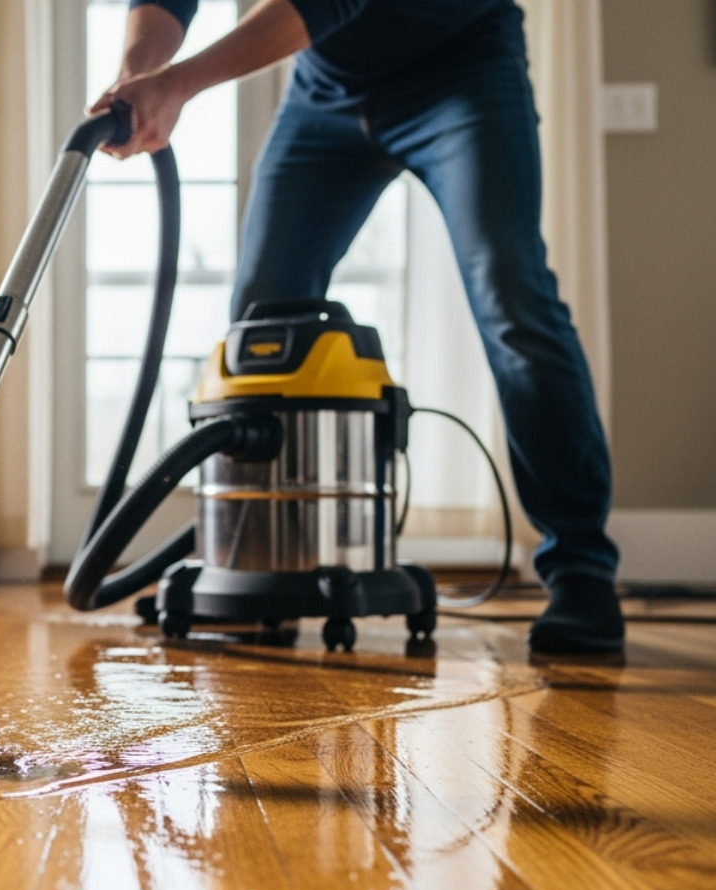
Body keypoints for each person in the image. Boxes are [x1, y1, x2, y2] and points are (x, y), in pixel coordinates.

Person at [93, 0, 624, 653]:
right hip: (326, 91)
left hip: (461, 69)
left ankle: (581, 571)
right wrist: (135, 77)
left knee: (511, 298)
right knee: (261, 321)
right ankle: (256, 562)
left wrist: (175, 85)